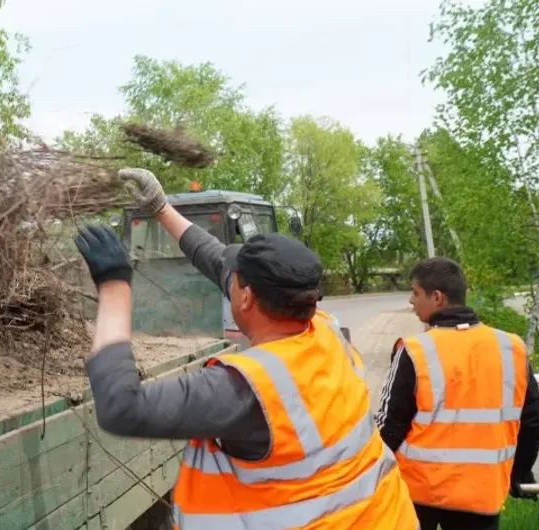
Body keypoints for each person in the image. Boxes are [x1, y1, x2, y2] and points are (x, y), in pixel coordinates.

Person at [74, 168, 418, 530]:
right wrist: (161, 208)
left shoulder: (247, 389)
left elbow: (120, 408)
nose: (226, 275)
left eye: (234, 279)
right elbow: (217, 258)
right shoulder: (325, 330)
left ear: (247, 297)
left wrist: (114, 287)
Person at [375, 257, 539, 530]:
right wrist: (519, 472)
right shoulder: (512, 348)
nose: (411, 301)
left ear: (437, 297)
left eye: (415, 293)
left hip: (419, 492)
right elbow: (532, 420)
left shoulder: (414, 350)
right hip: (483, 491)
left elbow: (389, 427)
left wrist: (376, 479)